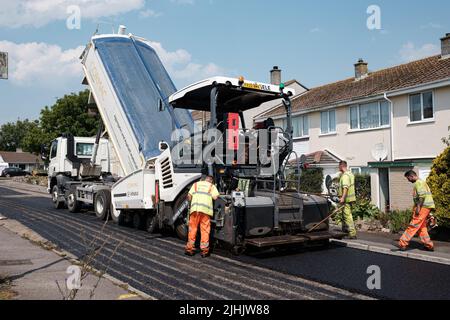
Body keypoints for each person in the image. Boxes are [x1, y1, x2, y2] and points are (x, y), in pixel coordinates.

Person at [398, 171, 435, 251]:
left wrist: (418, 208)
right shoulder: (422, 182)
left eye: (408, 178)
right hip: (426, 207)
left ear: (411, 176)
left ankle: (403, 243)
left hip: (422, 207)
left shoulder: (418, 183)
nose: (408, 180)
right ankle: (428, 245)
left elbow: (422, 196)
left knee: (413, 225)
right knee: (421, 227)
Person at [185, 175, 220, 258]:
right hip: (205, 212)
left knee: (192, 229)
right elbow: (215, 197)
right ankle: (204, 251)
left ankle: (189, 249)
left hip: (194, 210)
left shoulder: (196, 184)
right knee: (204, 230)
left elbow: (189, 196)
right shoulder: (212, 186)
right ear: (211, 181)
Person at [338, 161, 357, 239]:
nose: (338, 168)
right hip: (351, 198)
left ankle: (352, 233)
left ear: (341, 166)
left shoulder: (345, 176)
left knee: (347, 216)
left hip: (346, 199)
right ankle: (345, 230)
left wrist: (342, 198)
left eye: (338, 166)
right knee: (345, 215)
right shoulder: (350, 174)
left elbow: (345, 187)